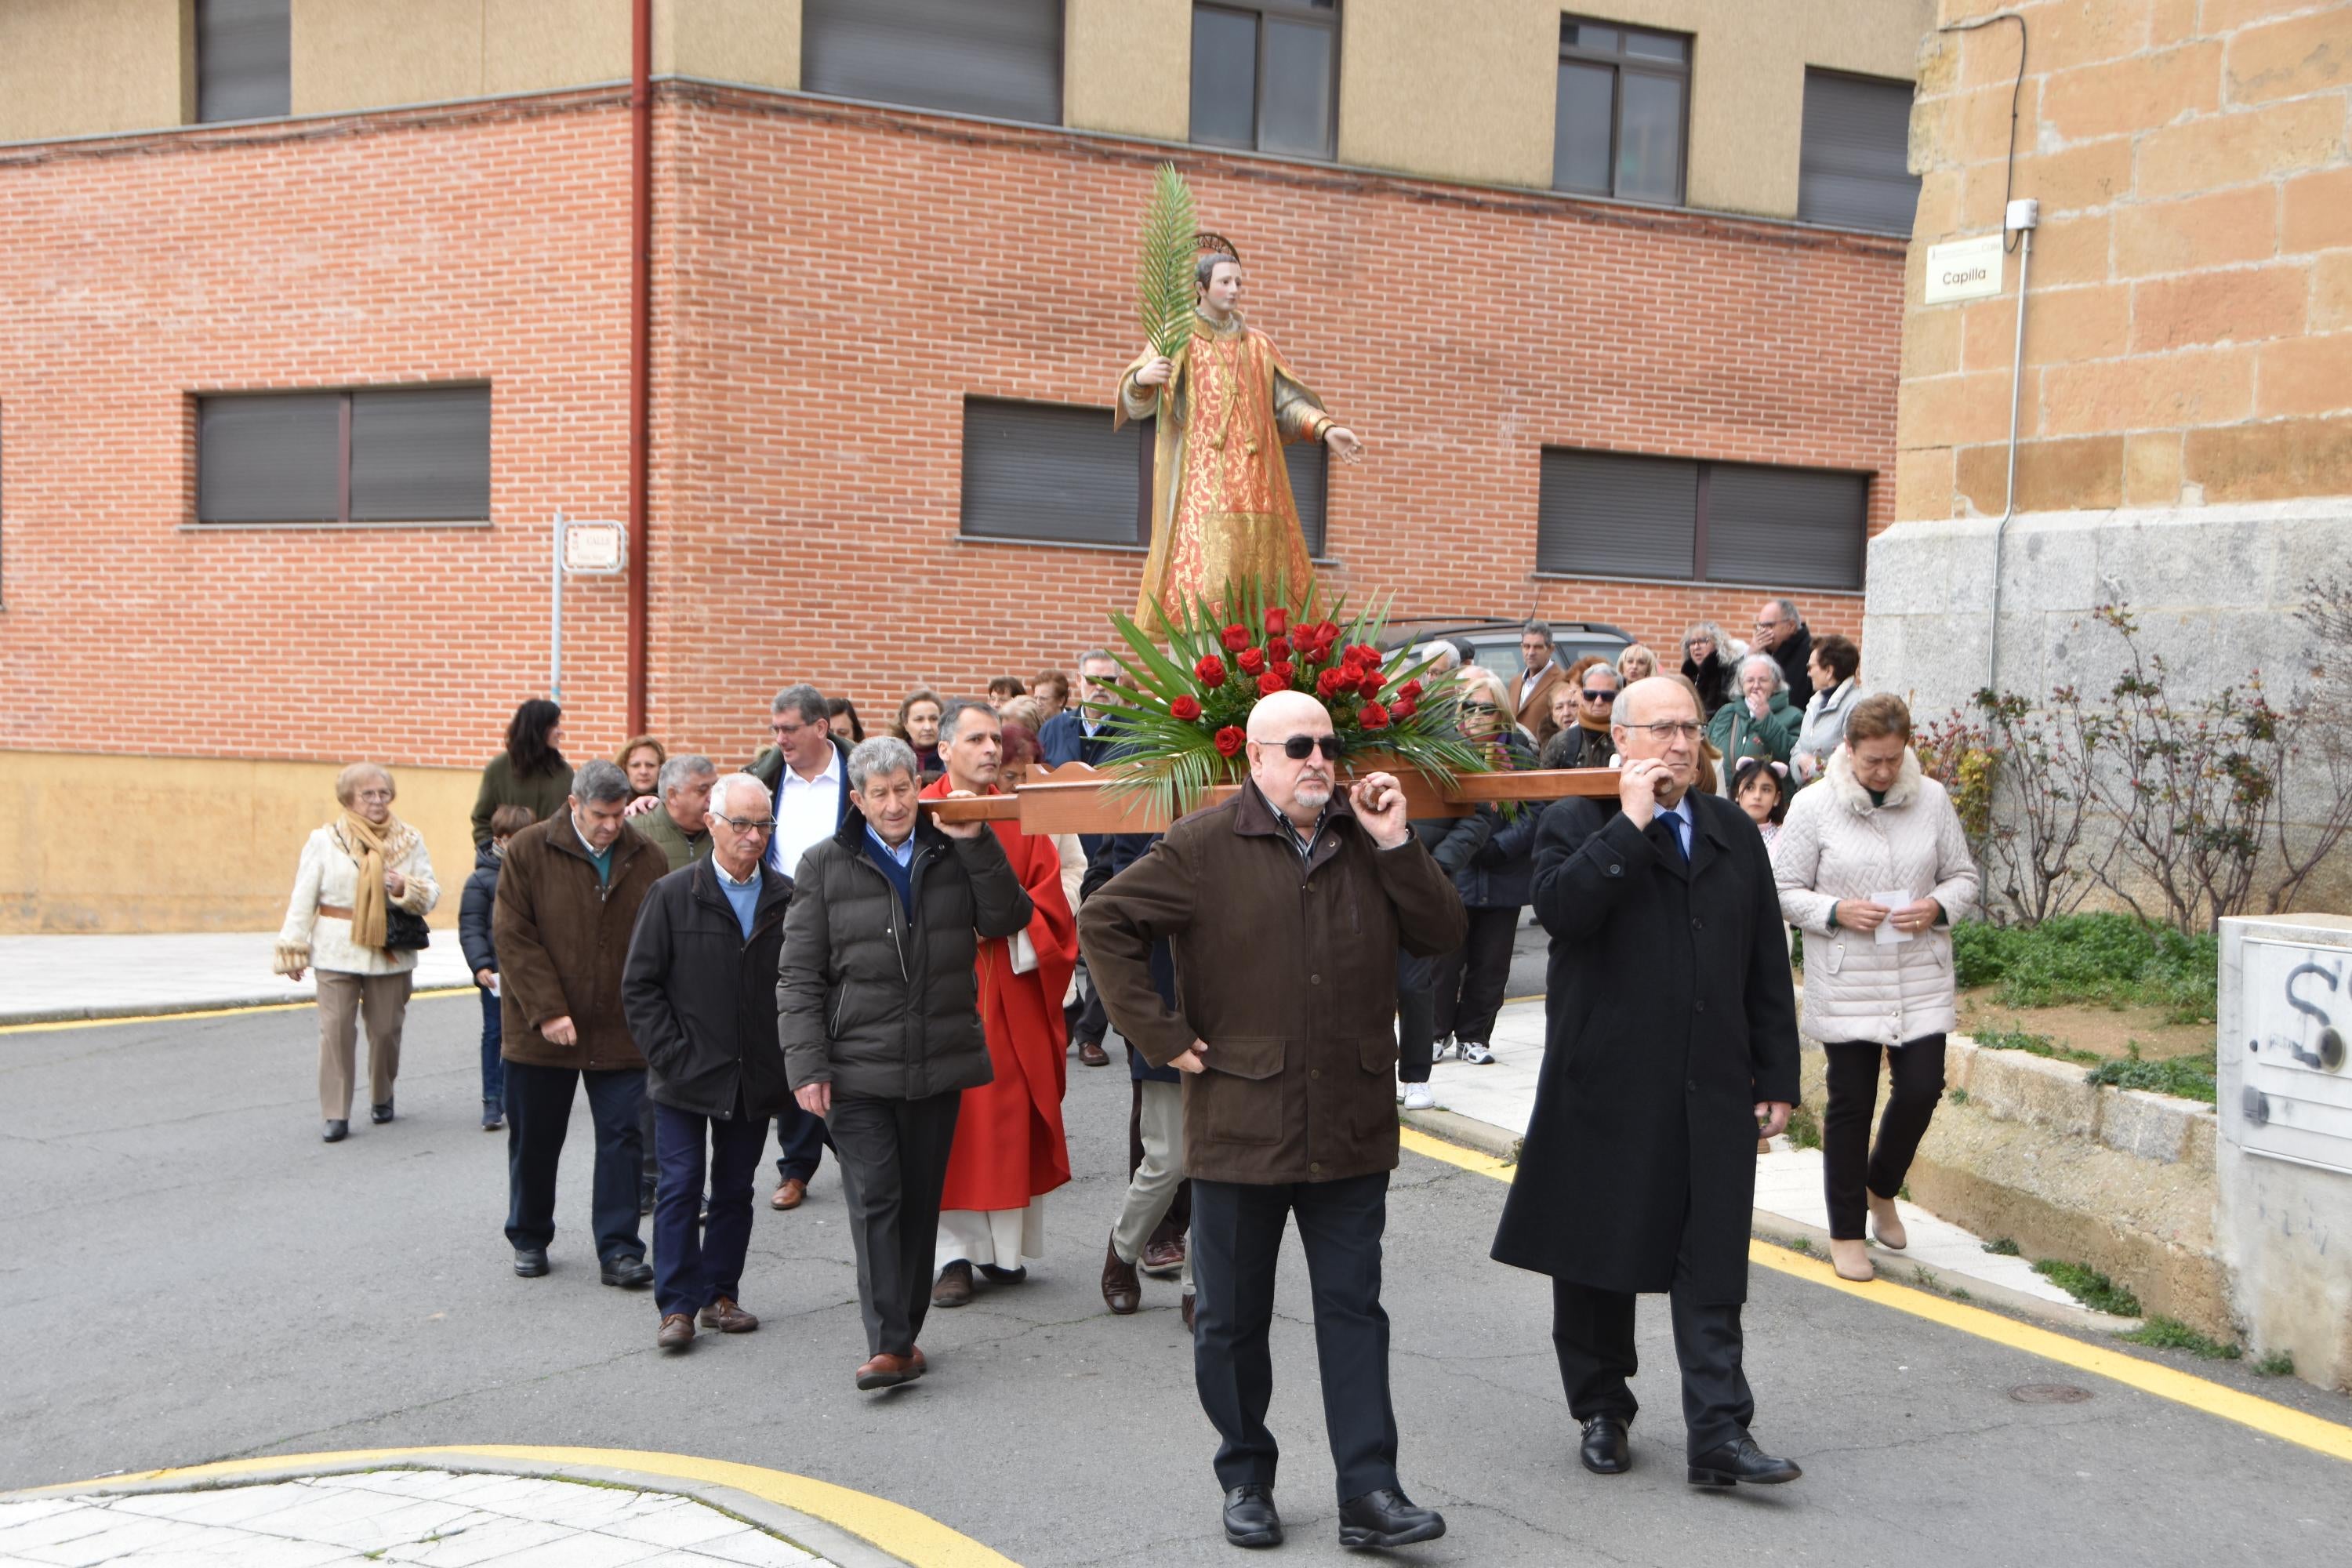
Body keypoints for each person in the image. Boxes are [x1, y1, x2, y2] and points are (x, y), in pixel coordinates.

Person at [1081, 688, 1466, 1553]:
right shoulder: (1203, 845)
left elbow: (1442, 933)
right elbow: (1106, 919)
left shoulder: (1369, 839)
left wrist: (1399, 841)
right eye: (1298, 746)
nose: (1318, 760)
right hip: (1242, 1122)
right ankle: (1246, 1474)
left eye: (1328, 744)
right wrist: (1160, 1033)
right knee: (1229, 1317)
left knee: (1354, 1311)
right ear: (1253, 758)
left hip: (1350, 1123)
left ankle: (1371, 1490)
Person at [1492, 675, 1802, 1490]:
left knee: (1712, 1259)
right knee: (1599, 1249)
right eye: (1661, 727)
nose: (1679, 742)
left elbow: (1765, 962)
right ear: (1620, 738)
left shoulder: (1731, 827)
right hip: (1607, 1078)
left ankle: (1721, 1432)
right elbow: (1562, 909)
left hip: (1710, 1080)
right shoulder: (1577, 821)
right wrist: (1630, 824)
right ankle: (1602, 1407)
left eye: (1691, 727)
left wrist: (1776, 1072)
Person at [778, 735, 1034, 1390]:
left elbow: (1008, 917)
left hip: (937, 1062)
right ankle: (889, 1344)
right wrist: (807, 1065)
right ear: (857, 801)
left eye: (902, 789)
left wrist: (977, 841)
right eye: (879, 794)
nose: (894, 805)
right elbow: (799, 976)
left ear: (918, 787)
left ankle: (906, 1334)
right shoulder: (823, 865)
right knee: (877, 1198)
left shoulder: (953, 850)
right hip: (856, 1067)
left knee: (919, 1203)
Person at [1773, 695, 1977, 1284]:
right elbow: (1783, 888)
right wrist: (1836, 910)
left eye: (1893, 759)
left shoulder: (1933, 799)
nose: (1884, 772)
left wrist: (1937, 905)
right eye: (1872, 761)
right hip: (1848, 976)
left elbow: (1963, 876)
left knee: (1922, 1088)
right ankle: (1844, 1231)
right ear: (1848, 750)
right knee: (1850, 1105)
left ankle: (1880, 1187)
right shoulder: (1813, 806)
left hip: (1919, 971)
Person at [622, 773, 796, 1351]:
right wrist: (672, 1056)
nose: (753, 836)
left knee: (734, 1188)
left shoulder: (787, 896)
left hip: (753, 1076)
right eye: (741, 824)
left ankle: (722, 1293)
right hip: (683, 1075)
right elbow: (640, 987)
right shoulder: (673, 894)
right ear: (712, 824)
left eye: (763, 825)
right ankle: (677, 1307)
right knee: (679, 1186)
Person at [925, 701, 1080, 1307]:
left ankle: (1002, 1253)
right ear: (944, 749)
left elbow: (1052, 897)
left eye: (996, 739)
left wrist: (1010, 932)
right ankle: (951, 1257)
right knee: (953, 1120)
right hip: (943, 988)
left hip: (1010, 986)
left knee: (1007, 1114)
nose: (991, 749)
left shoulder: (1024, 811)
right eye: (976, 739)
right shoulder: (920, 810)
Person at [1120, 247, 1363, 626]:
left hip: (1258, 485)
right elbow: (1137, 401)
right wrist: (1141, 379)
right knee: (1204, 594)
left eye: (1238, 282)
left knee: (1264, 601)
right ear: (1201, 288)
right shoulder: (1177, 338)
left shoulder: (1259, 346)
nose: (1234, 290)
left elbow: (1286, 405)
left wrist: (1326, 429)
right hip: (1202, 485)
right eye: (1225, 282)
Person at [492, 758, 666, 1287]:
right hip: (540, 1029)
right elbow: (513, 938)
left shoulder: (647, 857)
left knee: (622, 1138)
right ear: (574, 805)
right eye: (599, 815)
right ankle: (529, 1235)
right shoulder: (528, 850)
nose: (611, 825)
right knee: (536, 1137)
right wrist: (547, 1011)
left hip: (620, 1027)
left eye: (618, 814)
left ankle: (618, 1250)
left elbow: (661, 940)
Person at [274, 763, 441, 1142]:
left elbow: (430, 893)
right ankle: (336, 1113)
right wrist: (293, 946)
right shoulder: (325, 840)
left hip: (389, 949)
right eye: (368, 794)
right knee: (335, 1032)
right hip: (337, 948)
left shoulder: (409, 840)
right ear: (349, 798)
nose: (378, 801)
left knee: (385, 1031)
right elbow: (304, 896)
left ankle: (383, 1094)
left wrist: (404, 885)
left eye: (384, 793)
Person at [750, 683, 851, 1211]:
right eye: (775, 729)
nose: (779, 739)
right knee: (796, 1038)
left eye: (789, 729)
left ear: (820, 727)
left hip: (852, 924)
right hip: (784, 927)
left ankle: (857, 1148)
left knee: (852, 1034)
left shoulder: (859, 774)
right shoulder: (762, 780)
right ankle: (796, 1167)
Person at [1434, 669, 1547, 1072]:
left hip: (1504, 873)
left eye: (1486, 708)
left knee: (1492, 963)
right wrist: (1465, 847)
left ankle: (1475, 1037)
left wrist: (1499, 847)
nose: (1477, 716)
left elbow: (1535, 811)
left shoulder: (1520, 753)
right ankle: (1435, 1032)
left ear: (1501, 712)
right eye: (1469, 707)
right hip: (1458, 874)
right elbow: (1436, 810)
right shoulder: (1446, 751)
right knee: (1445, 960)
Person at [1041, 649, 1127, 1069]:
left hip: (1113, 850)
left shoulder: (1136, 730)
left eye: (1109, 681)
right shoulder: (1056, 728)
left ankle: (1090, 1033)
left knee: (1102, 944)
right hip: (1064, 848)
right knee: (1062, 941)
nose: (1100, 689)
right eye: (1094, 680)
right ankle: (1062, 1021)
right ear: (1079, 682)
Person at [459, 803, 537, 1132]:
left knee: (532, 1035)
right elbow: (471, 925)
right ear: (499, 840)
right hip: (496, 974)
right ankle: (492, 1100)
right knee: (496, 1033)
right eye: (511, 838)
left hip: (531, 972)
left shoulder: (539, 874)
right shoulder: (480, 880)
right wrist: (480, 965)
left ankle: (522, 1096)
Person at [471, 698, 572, 846]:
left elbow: (574, 823)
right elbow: (481, 821)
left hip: (551, 865)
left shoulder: (565, 773)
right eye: (554, 725)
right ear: (537, 729)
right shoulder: (498, 769)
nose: (560, 732)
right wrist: (494, 853)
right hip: (505, 865)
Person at [1706, 654, 1798, 790]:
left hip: (1768, 803)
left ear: (1775, 684)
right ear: (1741, 684)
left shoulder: (1793, 716)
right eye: (1750, 680)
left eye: (1763, 680)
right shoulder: (1726, 713)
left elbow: (1793, 757)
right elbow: (1704, 748)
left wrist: (1765, 719)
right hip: (1722, 801)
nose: (1756, 686)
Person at [1790, 633, 1862, 785]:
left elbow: (1856, 761)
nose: (1808, 673)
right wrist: (1800, 761)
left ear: (1829, 671)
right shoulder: (1815, 702)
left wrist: (1813, 768)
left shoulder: (1857, 706)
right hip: (1809, 797)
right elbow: (1798, 748)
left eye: (1810, 667)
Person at [637, 753, 717, 872]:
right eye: (702, 790)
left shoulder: (727, 828)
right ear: (673, 795)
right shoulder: (635, 832)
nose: (713, 797)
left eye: (716, 788)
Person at [1541, 659, 1620, 770]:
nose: (1598, 702)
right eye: (1590, 695)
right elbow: (1542, 785)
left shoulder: (1631, 738)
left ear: (1619, 696)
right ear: (1582, 696)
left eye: (1607, 696)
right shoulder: (1562, 742)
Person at [1751, 597, 1816, 711]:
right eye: (1760, 627)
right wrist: (1751, 656)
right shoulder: (1761, 651)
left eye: (1769, 626)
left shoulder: (1811, 654)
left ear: (1791, 626)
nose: (1762, 633)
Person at [1511, 621, 1567, 746]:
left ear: (1551, 649)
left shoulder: (1563, 681)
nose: (1530, 652)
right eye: (1526, 646)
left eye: (1537, 647)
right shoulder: (1515, 682)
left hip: (1544, 760)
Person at [1679, 623, 1745, 722]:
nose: (1696, 647)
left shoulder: (1727, 671)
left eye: (1702, 641)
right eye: (1692, 643)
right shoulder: (1688, 675)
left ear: (1717, 644)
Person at [1730, 757, 1791, 848]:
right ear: (1736, 793)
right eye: (1749, 788)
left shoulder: (1785, 841)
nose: (1757, 796)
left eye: (1766, 790)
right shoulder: (1721, 834)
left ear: (1776, 798)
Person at [894, 688, 944, 779]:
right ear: (905, 724)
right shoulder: (892, 758)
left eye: (934, 719)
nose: (928, 727)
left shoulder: (954, 757)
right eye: (919, 720)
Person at [615, 735, 666, 804]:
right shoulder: (612, 803)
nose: (643, 771)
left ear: (661, 768)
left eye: (650, 765)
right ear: (625, 768)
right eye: (636, 765)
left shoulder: (672, 804)